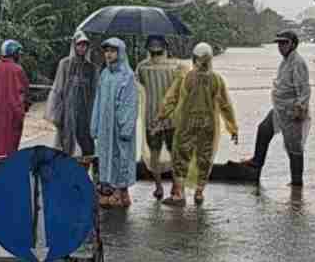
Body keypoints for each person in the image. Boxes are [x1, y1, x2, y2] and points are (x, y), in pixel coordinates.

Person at [161, 42, 238, 206]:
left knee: (181, 156)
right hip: (208, 124)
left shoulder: (185, 77)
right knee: (205, 157)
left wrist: (161, 116)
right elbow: (226, 105)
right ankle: (199, 194)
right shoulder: (217, 79)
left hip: (186, 123)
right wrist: (232, 128)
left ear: (193, 58)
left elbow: (171, 99)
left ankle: (179, 195)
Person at [241, 29, 311, 188]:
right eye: (279, 43)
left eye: (284, 43)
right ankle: (256, 163)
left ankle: (297, 184)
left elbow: (304, 90)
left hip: (292, 111)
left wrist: (299, 110)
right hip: (280, 109)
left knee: (294, 148)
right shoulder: (286, 60)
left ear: (293, 44)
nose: (280, 46)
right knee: (264, 129)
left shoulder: (298, 62)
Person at [134, 34, 186, 199]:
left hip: (152, 119)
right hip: (172, 117)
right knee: (175, 153)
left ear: (148, 49)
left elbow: (136, 86)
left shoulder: (142, 67)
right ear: (166, 48)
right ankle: (176, 187)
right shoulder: (177, 66)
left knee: (154, 154)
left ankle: (158, 188)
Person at [90, 37, 139, 207]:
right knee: (107, 157)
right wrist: (95, 124)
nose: (109, 54)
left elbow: (131, 103)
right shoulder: (105, 74)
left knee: (121, 157)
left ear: (120, 53)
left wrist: (125, 127)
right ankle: (118, 192)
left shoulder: (128, 76)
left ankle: (121, 192)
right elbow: (98, 99)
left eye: (112, 51)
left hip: (119, 126)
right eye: (107, 51)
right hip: (105, 126)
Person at [47, 29, 98, 157]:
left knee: (86, 144)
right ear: (74, 45)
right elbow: (58, 88)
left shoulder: (91, 68)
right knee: (66, 144)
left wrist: (94, 114)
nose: (82, 47)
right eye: (79, 44)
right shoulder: (64, 64)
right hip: (67, 111)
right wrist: (57, 112)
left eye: (85, 45)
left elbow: (94, 93)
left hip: (85, 112)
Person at [0, 40, 30, 161]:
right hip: (10, 118)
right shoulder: (17, 70)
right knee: (9, 150)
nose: (20, 55)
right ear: (13, 52)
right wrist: (23, 109)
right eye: (18, 52)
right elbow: (25, 95)